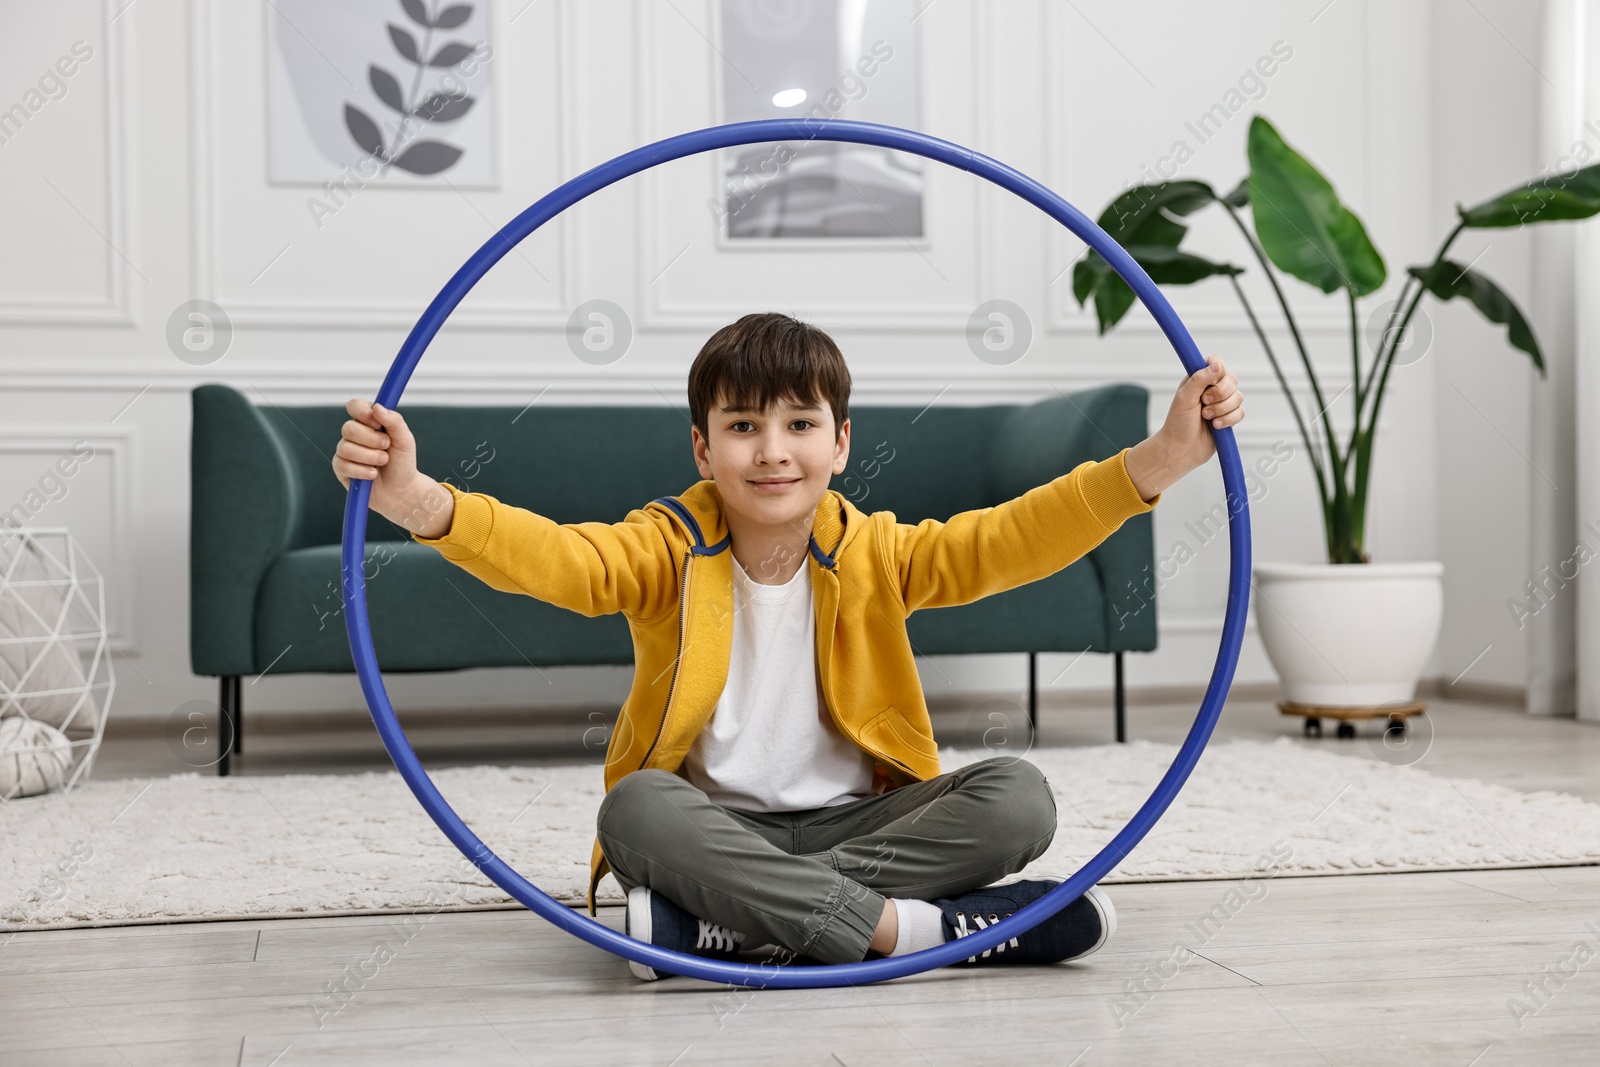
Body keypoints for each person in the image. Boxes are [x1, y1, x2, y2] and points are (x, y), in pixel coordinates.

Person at [333, 311, 1245, 980]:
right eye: (743, 426)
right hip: (714, 829)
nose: (773, 451)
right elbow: (561, 561)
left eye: (800, 424)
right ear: (702, 447)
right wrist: (420, 503)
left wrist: (1162, 458)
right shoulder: (665, 548)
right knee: (635, 810)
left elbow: (1009, 538)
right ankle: (922, 933)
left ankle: (735, 926)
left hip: (863, 820)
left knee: (1019, 799)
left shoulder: (877, 552)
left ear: (841, 443)